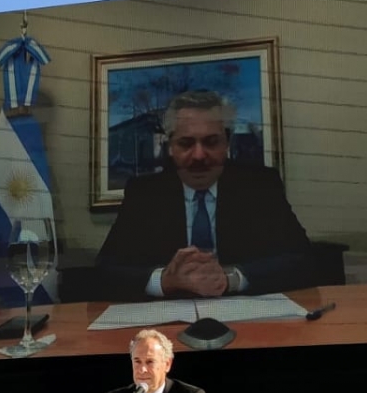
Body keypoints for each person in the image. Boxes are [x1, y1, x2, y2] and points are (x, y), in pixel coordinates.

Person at [94, 90, 314, 301]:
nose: (199, 155)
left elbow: (304, 259)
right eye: (186, 143)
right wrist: (163, 281)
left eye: (211, 142)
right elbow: (104, 271)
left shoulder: (261, 187)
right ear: (170, 146)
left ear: (227, 143)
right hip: (168, 321)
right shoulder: (144, 194)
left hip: (246, 317)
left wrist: (233, 278)